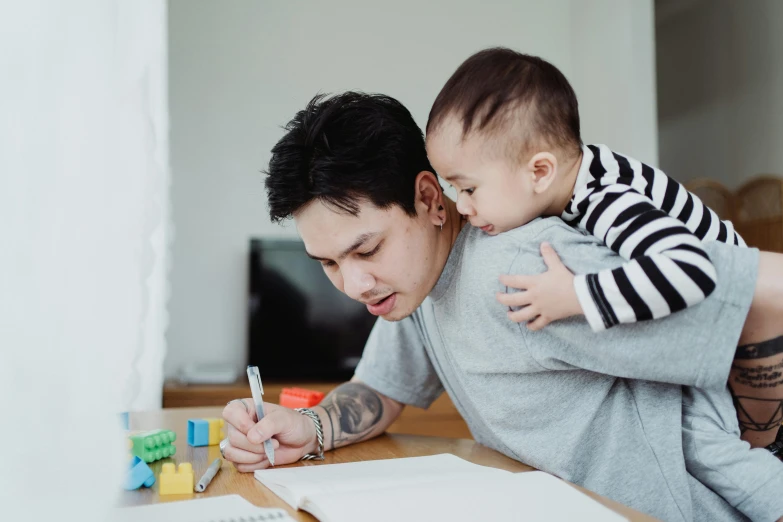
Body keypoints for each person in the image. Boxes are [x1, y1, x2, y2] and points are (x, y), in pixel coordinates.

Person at [222, 92, 783, 521]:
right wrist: (308, 427)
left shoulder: (520, 268)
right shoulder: (412, 288)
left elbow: (764, 295)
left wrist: (753, 436)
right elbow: (382, 391)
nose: (353, 284)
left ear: (427, 198)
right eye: (328, 264)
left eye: (366, 248)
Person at [424, 47, 783, 452]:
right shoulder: (577, 184)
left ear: (539, 172)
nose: (461, 206)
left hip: (755, 339)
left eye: (469, 188)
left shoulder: (606, 197)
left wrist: (576, 294)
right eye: (454, 189)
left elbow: (691, 270)